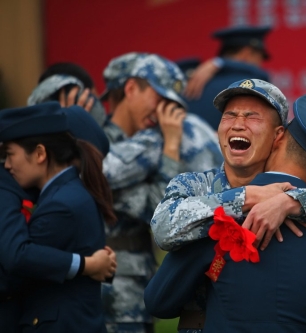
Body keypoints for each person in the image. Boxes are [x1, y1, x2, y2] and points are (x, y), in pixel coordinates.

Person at [150, 79, 306, 332]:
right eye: (229, 115)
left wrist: (289, 202)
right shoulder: (195, 185)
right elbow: (162, 230)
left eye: (252, 117)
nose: (238, 124)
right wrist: (244, 198)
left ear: (278, 137)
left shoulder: (303, 195)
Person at [99, 52, 222, 333]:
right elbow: (159, 209)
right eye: (159, 98)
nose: (162, 111)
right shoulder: (100, 144)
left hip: (134, 288)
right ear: (131, 89)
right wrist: (170, 150)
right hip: (99, 283)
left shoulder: (159, 138)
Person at [0, 103, 116, 333]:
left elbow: (17, 269)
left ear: (41, 153)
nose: (7, 165)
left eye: (10, 154)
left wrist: (88, 265)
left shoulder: (60, 204)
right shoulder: (64, 194)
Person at [182, 26, 272, 129]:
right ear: (247, 53)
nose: (260, 64)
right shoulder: (252, 83)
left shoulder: (195, 81)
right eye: (259, 58)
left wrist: (221, 63)